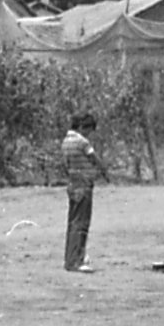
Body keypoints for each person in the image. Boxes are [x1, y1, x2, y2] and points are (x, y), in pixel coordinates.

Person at [61, 111, 102, 272]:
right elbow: (94, 159)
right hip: (84, 185)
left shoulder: (66, 142)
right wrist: (104, 172)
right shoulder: (82, 142)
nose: (89, 133)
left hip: (72, 184)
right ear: (82, 127)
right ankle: (77, 260)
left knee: (73, 223)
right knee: (81, 224)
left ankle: (70, 258)